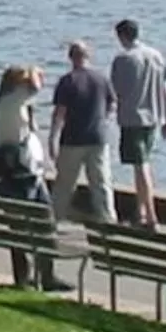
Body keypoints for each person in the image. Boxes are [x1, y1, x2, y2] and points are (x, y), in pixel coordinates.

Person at [0, 64, 63, 289]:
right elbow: (36, 87)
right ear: (15, 85)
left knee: (43, 223)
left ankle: (41, 275)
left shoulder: (14, 104)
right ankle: (30, 277)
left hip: (31, 173)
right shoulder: (11, 102)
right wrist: (34, 71)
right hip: (20, 176)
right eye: (24, 81)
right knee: (24, 227)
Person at [107, 19, 166, 228]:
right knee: (141, 165)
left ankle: (150, 217)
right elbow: (165, 89)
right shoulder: (156, 55)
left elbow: (115, 91)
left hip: (132, 118)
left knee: (141, 166)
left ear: (122, 36)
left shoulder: (123, 59)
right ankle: (141, 211)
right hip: (153, 118)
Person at [49, 40, 116, 228]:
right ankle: (108, 219)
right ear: (89, 56)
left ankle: (57, 218)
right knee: (101, 182)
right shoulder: (102, 79)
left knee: (65, 184)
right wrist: (103, 121)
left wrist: (53, 138)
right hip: (98, 138)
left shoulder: (67, 81)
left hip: (72, 140)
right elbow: (112, 104)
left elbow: (60, 113)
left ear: (70, 57)